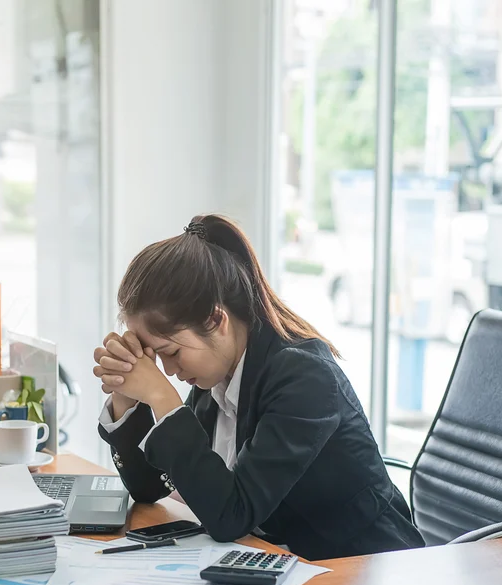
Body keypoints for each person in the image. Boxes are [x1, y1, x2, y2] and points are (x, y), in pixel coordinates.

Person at [93, 214, 424, 561]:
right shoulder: (218, 373)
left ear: (215, 320)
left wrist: (161, 398)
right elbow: (151, 487)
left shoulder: (304, 377)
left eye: (171, 353)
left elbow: (231, 515)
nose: (170, 371)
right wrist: (125, 393)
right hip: (283, 562)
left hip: (365, 568)